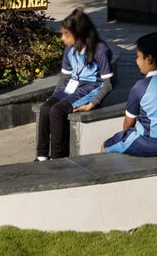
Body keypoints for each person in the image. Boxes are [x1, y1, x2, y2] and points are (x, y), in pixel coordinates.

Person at [34, 10, 116, 161]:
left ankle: (58, 158)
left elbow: (108, 84)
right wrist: (54, 96)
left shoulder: (100, 50)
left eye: (66, 34)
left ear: (78, 34)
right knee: (46, 108)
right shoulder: (69, 49)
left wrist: (92, 104)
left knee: (57, 111)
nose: (62, 38)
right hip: (72, 85)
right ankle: (42, 156)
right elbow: (65, 76)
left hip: (91, 88)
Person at [103, 32, 157, 157]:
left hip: (149, 145)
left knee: (106, 145)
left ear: (149, 59)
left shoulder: (140, 87)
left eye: (138, 57)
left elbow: (128, 123)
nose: (136, 61)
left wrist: (125, 137)